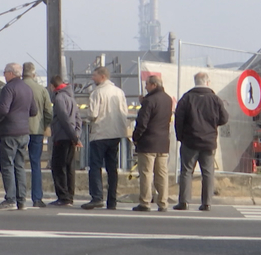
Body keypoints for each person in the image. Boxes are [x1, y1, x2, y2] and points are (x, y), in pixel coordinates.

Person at [173, 71, 229, 212]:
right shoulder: (215, 99)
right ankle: (207, 203)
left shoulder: (186, 98)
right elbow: (224, 119)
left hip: (190, 141)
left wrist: (181, 137)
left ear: (195, 81)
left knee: (186, 171)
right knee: (208, 172)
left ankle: (184, 202)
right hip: (209, 141)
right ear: (207, 82)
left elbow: (178, 120)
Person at [0, 62, 38, 210]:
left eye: (5, 72)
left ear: (11, 73)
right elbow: (34, 111)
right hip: (24, 132)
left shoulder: (8, 88)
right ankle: (21, 199)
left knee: (7, 165)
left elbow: (3, 109)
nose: (4, 75)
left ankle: (10, 199)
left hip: (9, 132)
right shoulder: (27, 88)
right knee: (19, 166)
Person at [82, 67, 129, 210]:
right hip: (115, 133)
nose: (92, 78)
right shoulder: (119, 92)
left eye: (94, 75)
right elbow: (124, 112)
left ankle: (96, 197)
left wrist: (87, 118)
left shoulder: (97, 93)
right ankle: (112, 200)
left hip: (100, 132)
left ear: (102, 77)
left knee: (95, 166)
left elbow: (93, 113)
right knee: (112, 167)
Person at [132, 75, 173, 212]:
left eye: (147, 84)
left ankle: (145, 202)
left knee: (146, 173)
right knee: (162, 174)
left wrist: (136, 137)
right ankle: (163, 202)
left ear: (153, 85)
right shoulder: (167, 99)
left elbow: (143, 122)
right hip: (163, 142)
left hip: (148, 142)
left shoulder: (149, 100)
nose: (145, 87)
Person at [47, 75, 81, 206]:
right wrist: (76, 135)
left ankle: (63, 196)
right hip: (71, 136)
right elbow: (78, 119)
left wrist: (73, 136)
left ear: (52, 86)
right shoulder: (71, 98)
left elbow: (63, 118)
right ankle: (69, 195)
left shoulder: (59, 97)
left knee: (58, 166)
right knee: (69, 167)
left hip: (62, 136)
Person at [22, 62, 53, 207]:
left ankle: (18, 196)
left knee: (17, 164)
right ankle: (37, 197)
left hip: (19, 130)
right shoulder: (41, 90)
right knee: (36, 164)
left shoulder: (16, 87)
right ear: (34, 74)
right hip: (37, 130)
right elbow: (48, 111)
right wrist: (46, 125)